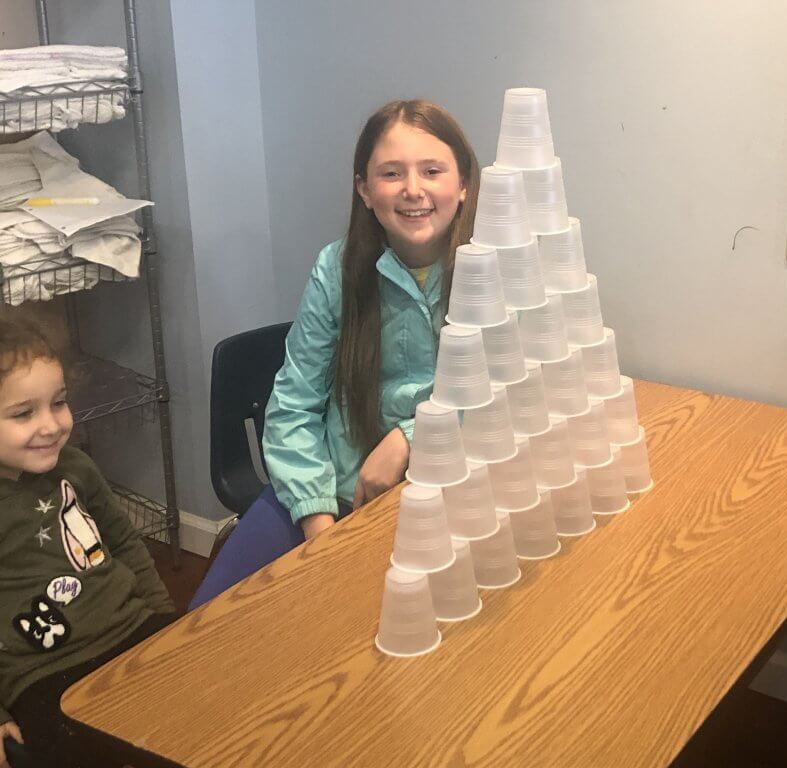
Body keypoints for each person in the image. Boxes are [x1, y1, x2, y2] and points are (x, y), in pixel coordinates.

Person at [189, 100, 479, 608]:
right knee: (203, 626)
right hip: (331, 487)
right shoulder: (336, 270)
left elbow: (508, 391)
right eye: (391, 173)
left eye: (432, 171)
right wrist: (318, 519)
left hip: (451, 492)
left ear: (463, 184)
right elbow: (293, 405)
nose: (413, 189)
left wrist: (411, 438)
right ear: (365, 190)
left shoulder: (493, 270)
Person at [0, 319, 176, 768]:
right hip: (42, 673)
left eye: (58, 403)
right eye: (23, 413)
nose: (52, 425)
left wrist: (166, 619)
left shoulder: (77, 468)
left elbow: (125, 544)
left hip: (134, 628)